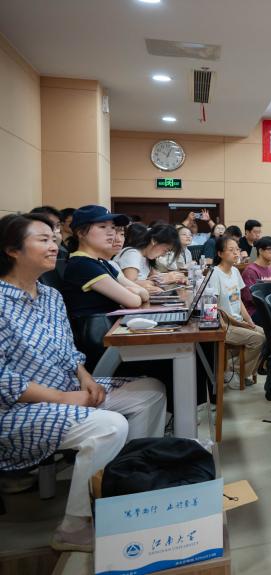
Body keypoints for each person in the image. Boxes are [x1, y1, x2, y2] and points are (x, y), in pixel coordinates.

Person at [0, 213, 166, 553]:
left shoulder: (50, 296)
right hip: (16, 409)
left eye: (53, 238)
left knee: (151, 391)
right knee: (109, 426)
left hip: (66, 389)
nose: (54, 245)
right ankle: (74, 527)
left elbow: (69, 351)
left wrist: (86, 378)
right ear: (12, 250)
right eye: (43, 239)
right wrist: (63, 397)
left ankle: (124, 488)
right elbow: (3, 381)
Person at [61, 206, 150, 323]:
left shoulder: (102, 262)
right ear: (81, 233)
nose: (111, 233)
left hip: (111, 327)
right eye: (102, 227)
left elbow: (145, 294)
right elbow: (133, 301)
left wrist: (136, 291)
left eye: (113, 227)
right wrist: (135, 292)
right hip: (98, 331)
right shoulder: (82, 264)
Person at [209, 236, 266, 388]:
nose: (236, 253)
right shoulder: (214, 274)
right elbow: (215, 307)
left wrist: (249, 321)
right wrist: (238, 323)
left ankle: (234, 369)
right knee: (257, 339)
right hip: (224, 325)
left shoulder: (235, 271)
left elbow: (238, 300)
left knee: (267, 335)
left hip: (238, 321)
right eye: (231, 250)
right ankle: (236, 372)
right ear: (220, 253)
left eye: (237, 249)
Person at [115, 224, 184, 286]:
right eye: (165, 250)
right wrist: (158, 281)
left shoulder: (147, 257)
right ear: (154, 241)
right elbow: (129, 284)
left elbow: (156, 276)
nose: (163, 255)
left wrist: (176, 277)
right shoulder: (132, 254)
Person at [241, 236, 271, 318]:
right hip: (255, 311)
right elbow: (250, 298)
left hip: (269, 307)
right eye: (270, 249)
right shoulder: (250, 271)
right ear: (260, 251)